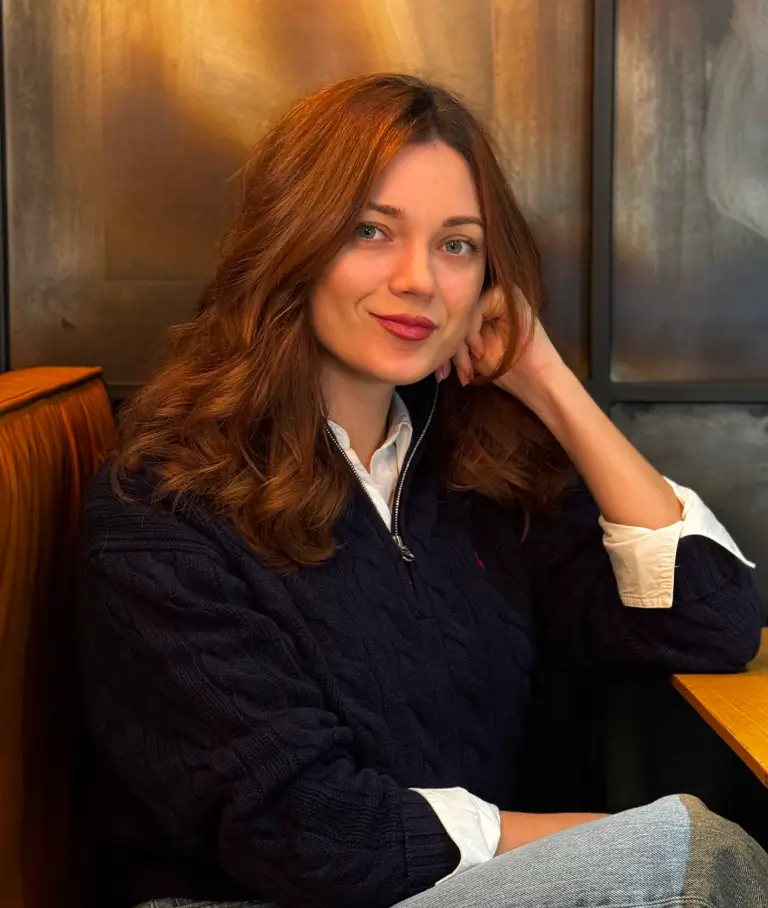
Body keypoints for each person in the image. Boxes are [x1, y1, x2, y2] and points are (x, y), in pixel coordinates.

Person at [78, 74, 767, 908]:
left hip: (441, 888)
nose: (419, 280)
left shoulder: (467, 476)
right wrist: (591, 843)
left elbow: (710, 621)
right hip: (258, 897)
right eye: (371, 230)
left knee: (688, 853)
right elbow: (307, 828)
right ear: (294, 241)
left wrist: (546, 378)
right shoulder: (163, 506)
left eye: (458, 246)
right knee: (694, 857)